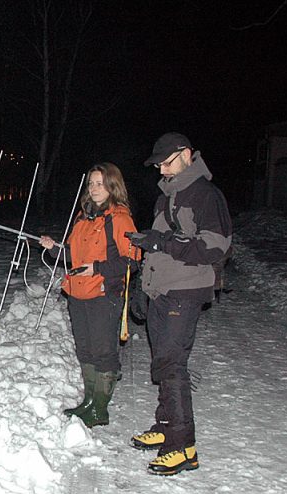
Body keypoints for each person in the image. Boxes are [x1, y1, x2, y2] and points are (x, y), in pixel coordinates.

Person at [126, 132, 232, 476]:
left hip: (185, 292)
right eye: (158, 164)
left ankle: (183, 446)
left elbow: (216, 247)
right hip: (161, 291)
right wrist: (143, 284)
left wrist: (161, 242)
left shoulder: (205, 194)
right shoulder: (165, 196)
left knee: (172, 367)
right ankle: (166, 425)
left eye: (167, 162)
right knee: (162, 362)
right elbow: (157, 248)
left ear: (186, 154)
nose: (162, 169)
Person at [40, 162, 140, 428]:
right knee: (84, 349)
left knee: (103, 351)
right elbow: (72, 256)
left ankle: (100, 409)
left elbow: (132, 260)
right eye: (91, 184)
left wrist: (96, 268)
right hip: (77, 293)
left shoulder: (120, 218)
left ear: (112, 186)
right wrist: (54, 249)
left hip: (104, 294)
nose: (94, 189)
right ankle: (89, 401)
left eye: (100, 183)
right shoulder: (83, 218)